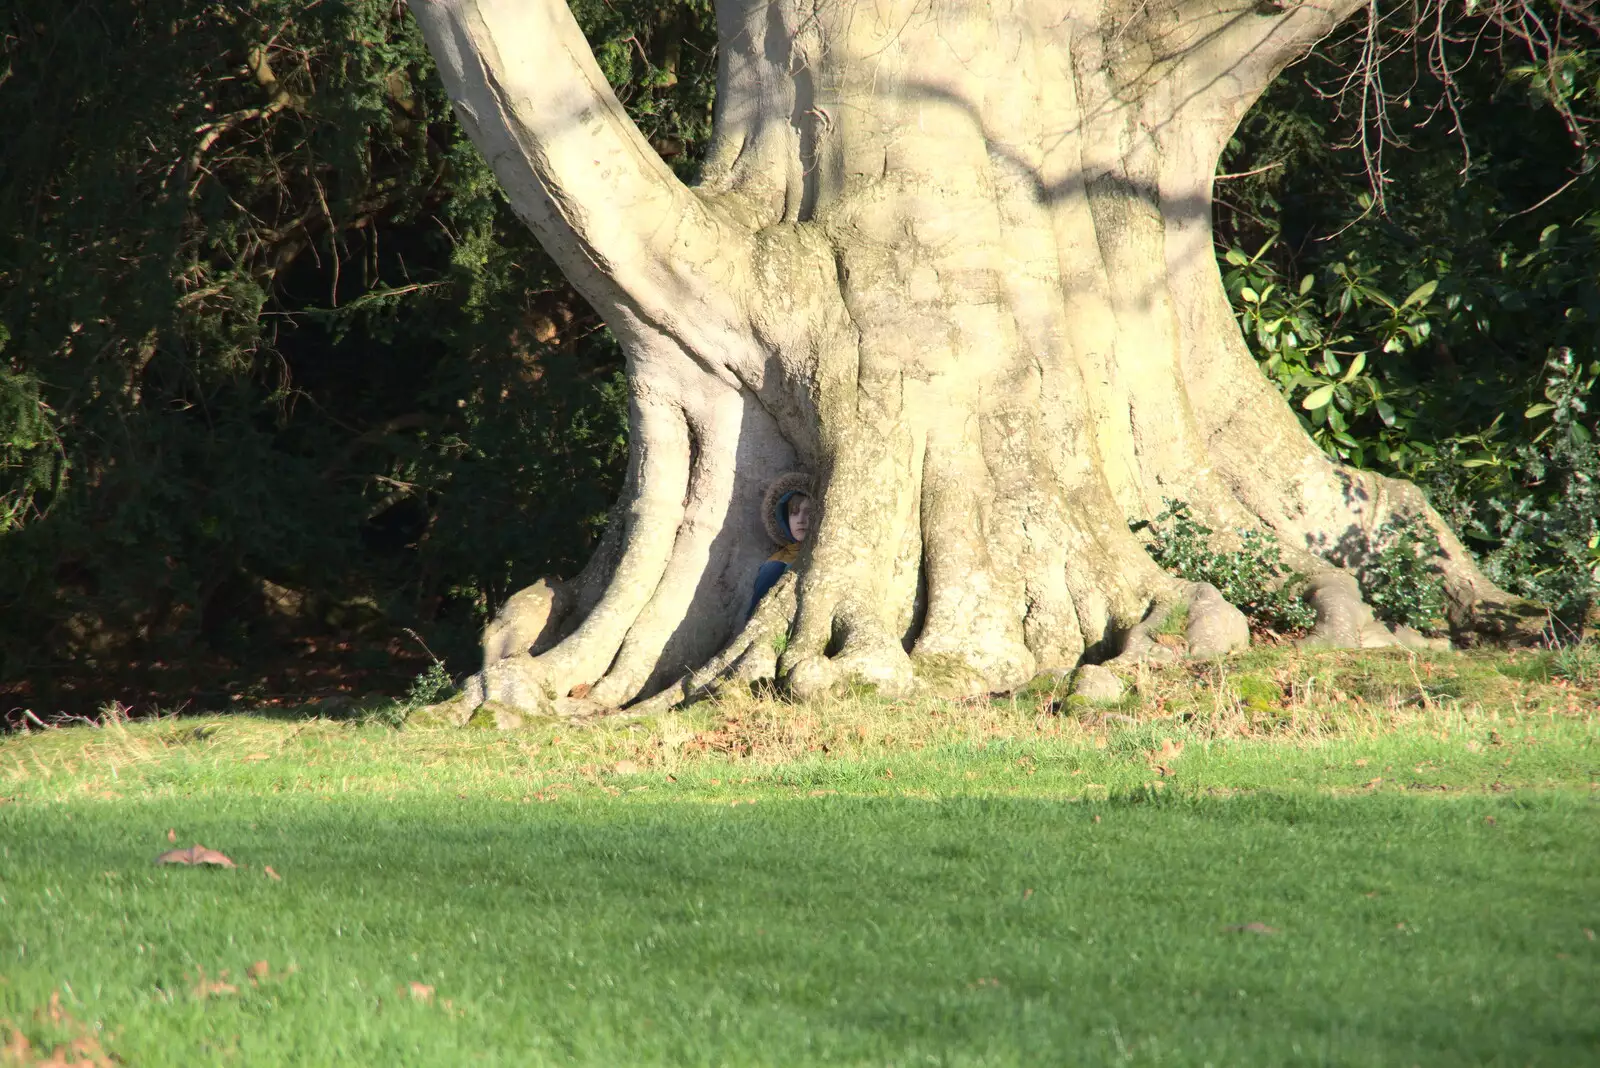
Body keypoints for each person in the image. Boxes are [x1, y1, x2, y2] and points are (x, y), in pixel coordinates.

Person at [749, 472, 814, 618]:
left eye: (808, 512)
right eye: (794, 513)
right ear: (784, 518)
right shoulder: (775, 562)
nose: (801, 520)